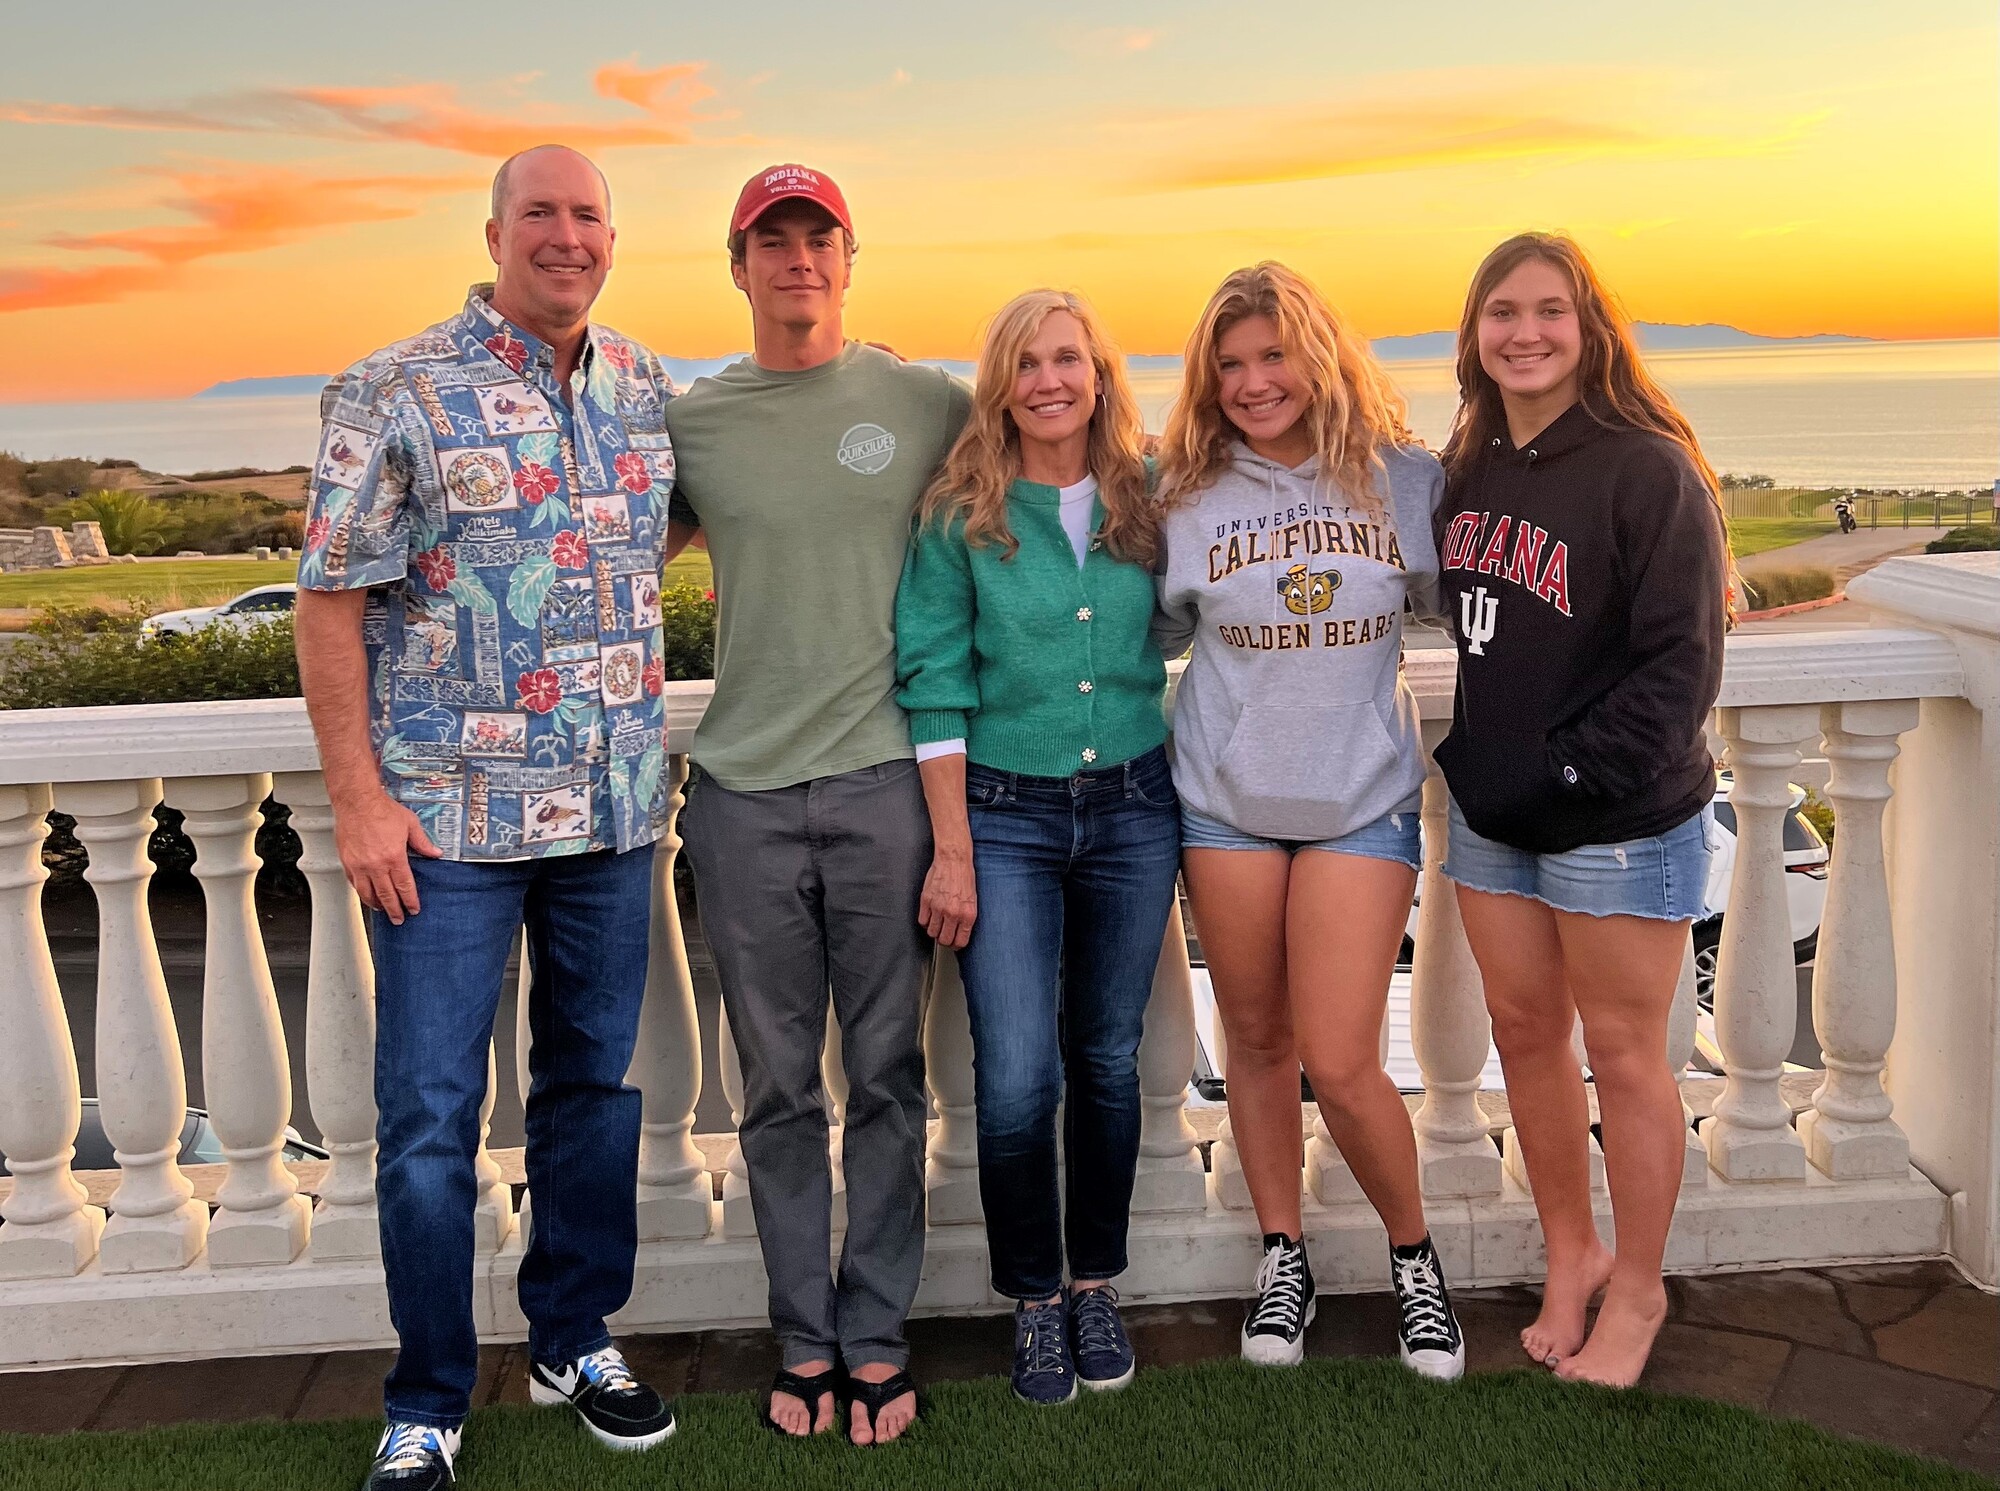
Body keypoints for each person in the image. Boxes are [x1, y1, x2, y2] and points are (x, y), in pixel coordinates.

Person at [295, 145, 679, 1491]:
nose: (565, 237)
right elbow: (329, 596)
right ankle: (428, 1394)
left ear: (613, 240)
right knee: (429, 1121)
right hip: (443, 829)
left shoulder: (643, 390)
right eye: (541, 214)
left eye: (588, 216)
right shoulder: (394, 389)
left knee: (593, 1094)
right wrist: (357, 799)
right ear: (496, 231)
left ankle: (576, 1334)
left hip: (614, 815)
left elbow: (657, 535)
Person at [662, 164, 971, 1446]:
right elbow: (606, 547)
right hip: (738, 789)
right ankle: (803, 1335)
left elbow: (1057, 484)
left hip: (886, 784)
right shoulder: (696, 422)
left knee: (889, 1075)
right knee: (778, 1085)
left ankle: (877, 1334)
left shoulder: (921, 401)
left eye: (817, 238)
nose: (796, 258)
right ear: (736, 267)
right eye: (769, 240)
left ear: (850, 260)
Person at [1154, 262, 1466, 1380]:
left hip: (1357, 802)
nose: (1251, 382)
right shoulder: (1183, 493)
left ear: (1318, 355)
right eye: (1229, 365)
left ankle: (1412, 1257)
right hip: (1224, 805)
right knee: (1254, 1042)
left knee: (1340, 1059)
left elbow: (1483, 609)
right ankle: (1281, 1254)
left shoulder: (1406, 483)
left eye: (1272, 355)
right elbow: (1125, 636)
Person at [1433, 232, 1728, 1388]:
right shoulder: (1471, 466)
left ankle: (1640, 1292)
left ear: (1588, 326)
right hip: (1492, 817)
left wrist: (1562, 774)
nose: (1523, 332)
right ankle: (1572, 1255)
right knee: (1522, 1037)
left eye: (1548, 310)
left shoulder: (1645, 468)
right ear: (1473, 334)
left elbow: (1678, 671)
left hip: (1617, 820)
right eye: (1500, 311)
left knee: (1623, 1056)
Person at [895, 290, 1179, 1406]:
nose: (1050, 379)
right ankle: (1034, 1301)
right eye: (1027, 362)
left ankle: (1096, 1281)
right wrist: (953, 851)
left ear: (1099, 374)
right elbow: (934, 686)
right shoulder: (956, 513)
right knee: (1014, 1074)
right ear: (1000, 383)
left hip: (1133, 805)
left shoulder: (1148, 496)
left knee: (1106, 1059)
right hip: (1002, 815)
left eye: (1069, 358)